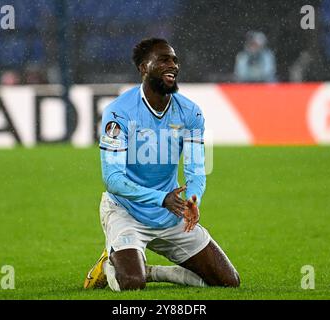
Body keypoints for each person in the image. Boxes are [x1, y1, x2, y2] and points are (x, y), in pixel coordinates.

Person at [84, 38, 240, 291]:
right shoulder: (119, 112)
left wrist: (193, 199)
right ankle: (112, 263)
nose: (173, 65)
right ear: (144, 68)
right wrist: (161, 198)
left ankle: (153, 272)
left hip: (171, 213)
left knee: (228, 282)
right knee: (131, 284)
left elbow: (196, 169)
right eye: (164, 60)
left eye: (175, 60)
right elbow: (113, 180)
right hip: (126, 211)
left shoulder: (191, 112)